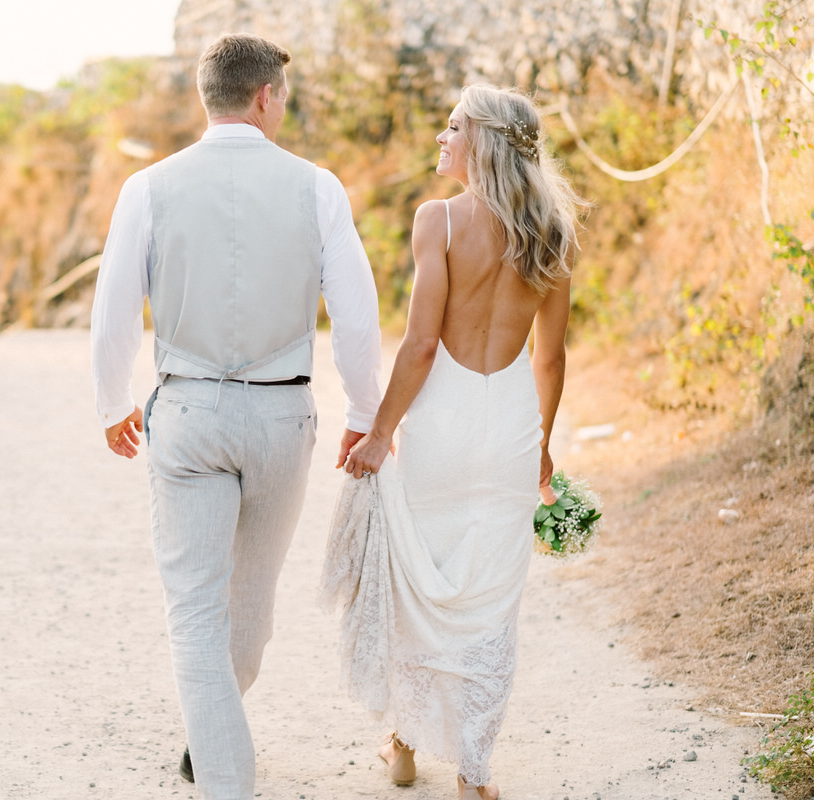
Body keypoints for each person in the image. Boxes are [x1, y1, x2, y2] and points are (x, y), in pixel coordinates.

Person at [90, 33, 383, 800]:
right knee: (248, 616)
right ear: (265, 96)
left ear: (205, 95)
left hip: (186, 410)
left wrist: (112, 402)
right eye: (284, 95)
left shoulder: (147, 187)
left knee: (200, 618)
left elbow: (113, 308)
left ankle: (211, 748)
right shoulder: (317, 187)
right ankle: (223, 771)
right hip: (283, 414)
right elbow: (356, 316)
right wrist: (363, 408)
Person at [323, 84, 586, 800]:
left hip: (439, 422)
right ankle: (474, 773)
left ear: (486, 142)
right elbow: (551, 358)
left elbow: (419, 343)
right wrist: (540, 443)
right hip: (508, 425)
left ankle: (404, 745)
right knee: (492, 600)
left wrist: (380, 434)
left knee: (422, 585)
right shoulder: (554, 233)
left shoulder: (437, 220)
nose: (442, 138)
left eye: (453, 127)